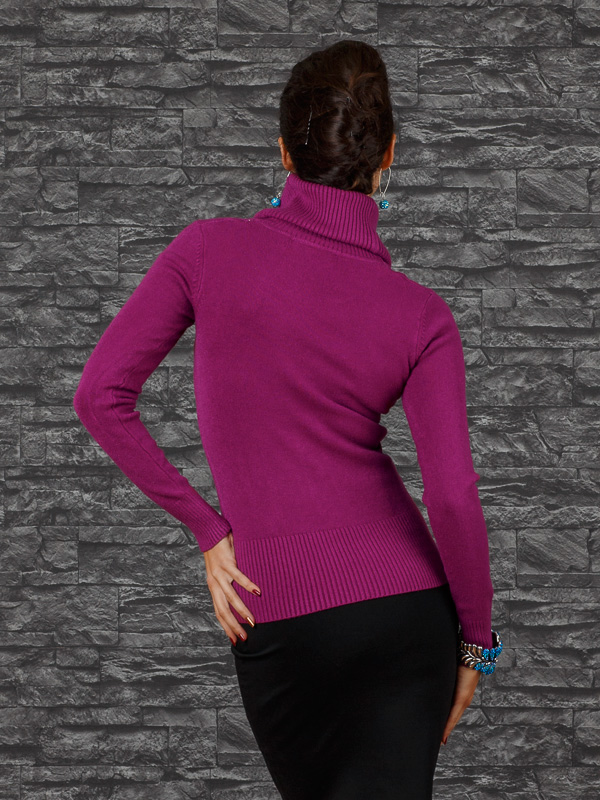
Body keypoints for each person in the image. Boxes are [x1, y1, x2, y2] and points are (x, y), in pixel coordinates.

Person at [73, 39, 502, 800]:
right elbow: (453, 496)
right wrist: (475, 645)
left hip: (284, 610)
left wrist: (209, 531)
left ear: (282, 148)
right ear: (389, 154)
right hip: (410, 614)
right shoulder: (422, 315)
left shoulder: (207, 251)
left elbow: (100, 396)